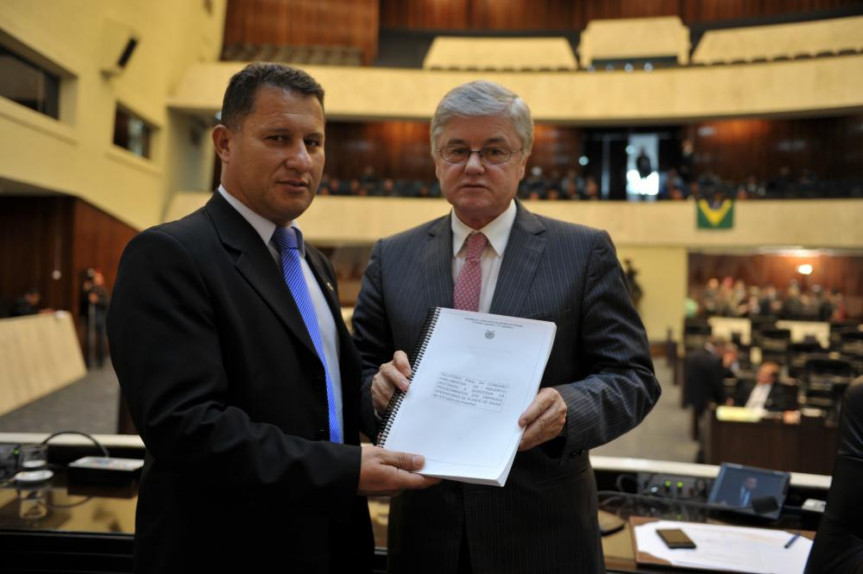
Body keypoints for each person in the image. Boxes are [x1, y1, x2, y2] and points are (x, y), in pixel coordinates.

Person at [107, 63, 436, 573]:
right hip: (226, 553)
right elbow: (189, 430)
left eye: (314, 141)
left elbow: (328, 393)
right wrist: (346, 470)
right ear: (224, 143)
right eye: (278, 138)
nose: (301, 160)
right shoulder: (169, 255)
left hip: (330, 546)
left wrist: (382, 396)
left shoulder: (311, 263)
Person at [351, 80, 660, 574]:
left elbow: (633, 377)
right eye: (457, 150)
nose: (473, 165)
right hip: (426, 536)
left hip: (544, 535)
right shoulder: (393, 256)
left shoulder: (582, 253)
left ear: (522, 160)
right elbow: (359, 370)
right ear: (436, 159)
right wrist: (376, 390)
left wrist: (569, 410)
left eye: (493, 150)